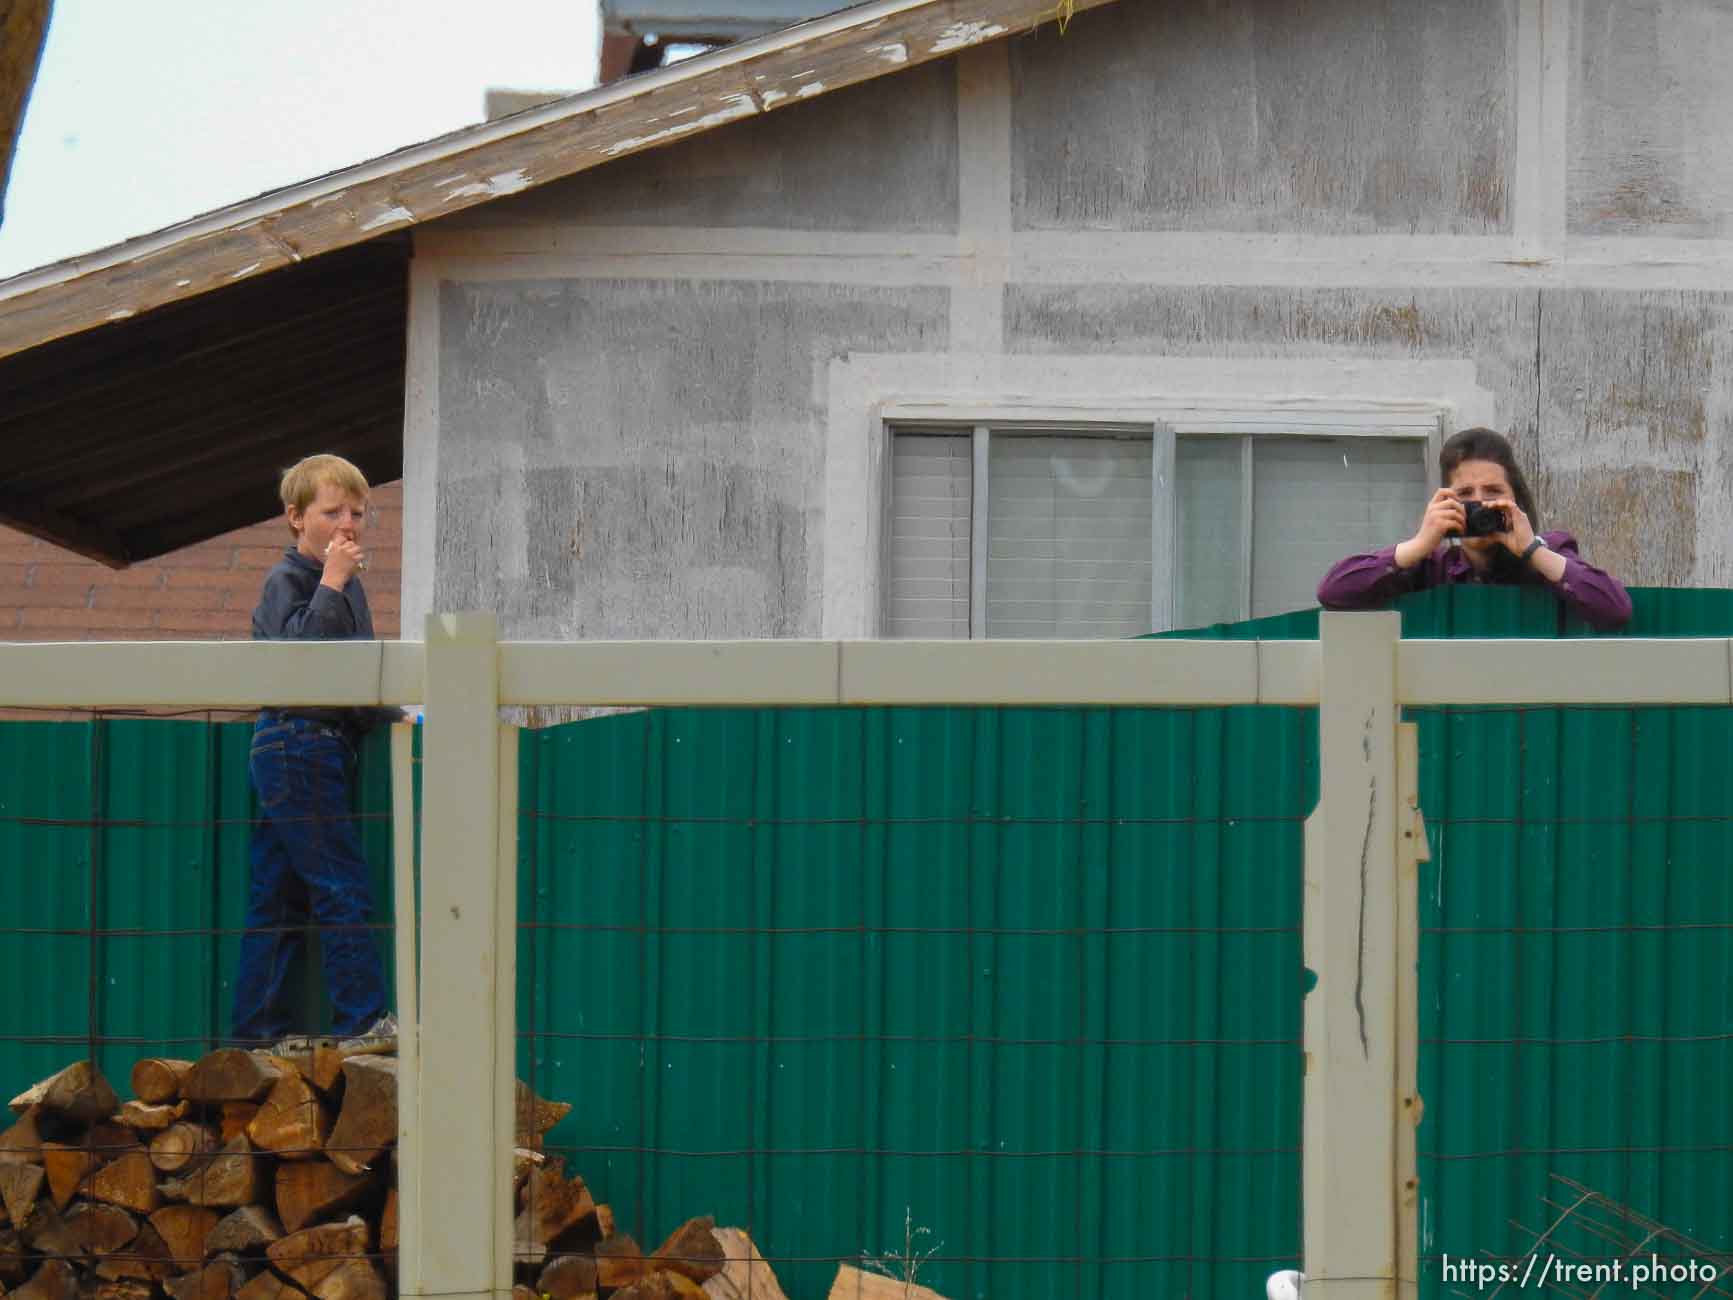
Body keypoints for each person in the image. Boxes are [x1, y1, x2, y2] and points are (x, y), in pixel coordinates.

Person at [233, 453, 399, 1056]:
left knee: (277, 895)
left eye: (357, 512)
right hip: (294, 742)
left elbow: (353, 687)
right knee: (339, 883)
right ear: (296, 518)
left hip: (316, 745)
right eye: (332, 512)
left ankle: (256, 1037)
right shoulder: (291, 582)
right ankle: (361, 1021)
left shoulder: (349, 591)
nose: (347, 524)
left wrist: (398, 714)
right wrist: (330, 580)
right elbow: (298, 661)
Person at [1316, 428, 1632, 630]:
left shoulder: (1548, 555)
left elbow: (1615, 609)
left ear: (1516, 499)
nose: (1480, 504)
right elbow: (1333, 592)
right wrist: (1418, 545)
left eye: (1493, 492)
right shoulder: (1430, 568)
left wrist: (1533, 550)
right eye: (1465, 495)